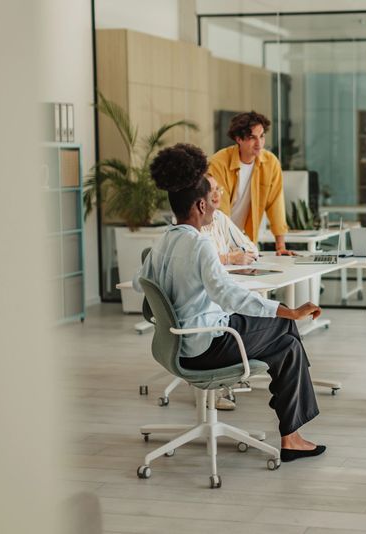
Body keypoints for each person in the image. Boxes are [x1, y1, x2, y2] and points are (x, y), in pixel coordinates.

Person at [134, 143, 325, 463]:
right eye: (211, 199)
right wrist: (289, 311)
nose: (215, 205)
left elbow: (142, 285)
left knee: (286, 343)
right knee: (287, 331)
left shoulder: (163, 240)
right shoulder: (200, 244)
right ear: (199, 205)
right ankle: (291, 436)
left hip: (178, 342)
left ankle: (292, 432)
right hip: (206, 344)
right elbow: (228, 295)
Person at [208, 110, 296, 255]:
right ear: (238, 139)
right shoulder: (219, 163)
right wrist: (227, 252)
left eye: (261, 136)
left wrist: (280, 246)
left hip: (244, 238)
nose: (259, 143)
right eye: (252, 138)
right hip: (218, 238)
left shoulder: (270, 163)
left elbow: (276, 203)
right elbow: (220, 213)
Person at [203, 176, 259, 266]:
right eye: (210, 190)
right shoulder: (193, 222)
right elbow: (201, 261)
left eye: (217, 189)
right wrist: (229, 258)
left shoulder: (220, 217)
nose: (216, 194)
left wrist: (233, 255)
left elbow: (252, 249)